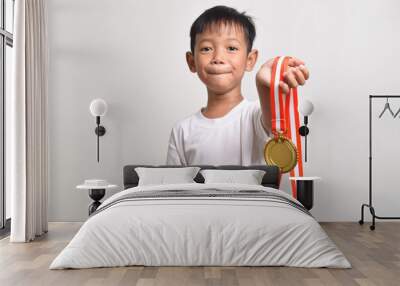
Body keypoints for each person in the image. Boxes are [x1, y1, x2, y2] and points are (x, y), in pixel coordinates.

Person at [166, 5, 309, 166]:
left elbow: (272, 122)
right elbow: (174, 189)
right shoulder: (182, 131)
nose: (218, 57)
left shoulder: (255, 114)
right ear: (192, 62)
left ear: (250, 60)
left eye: (231, 48)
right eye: (206, 48)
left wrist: (263, 85)